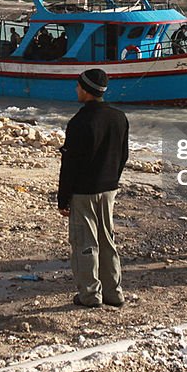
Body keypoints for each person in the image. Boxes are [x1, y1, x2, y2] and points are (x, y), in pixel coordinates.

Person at [58, 69, 129, 308]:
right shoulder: (119, 117)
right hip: (109, 188)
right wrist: (113, 180)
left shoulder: (79, 122)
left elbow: (70, 164)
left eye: (78, 87)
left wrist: (63, 198)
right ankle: (114, 292)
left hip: (84, 190)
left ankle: (90, 295)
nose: (76, 90)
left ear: (87, 90)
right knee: (107, 239)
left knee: (84, 242)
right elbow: (123, 156)